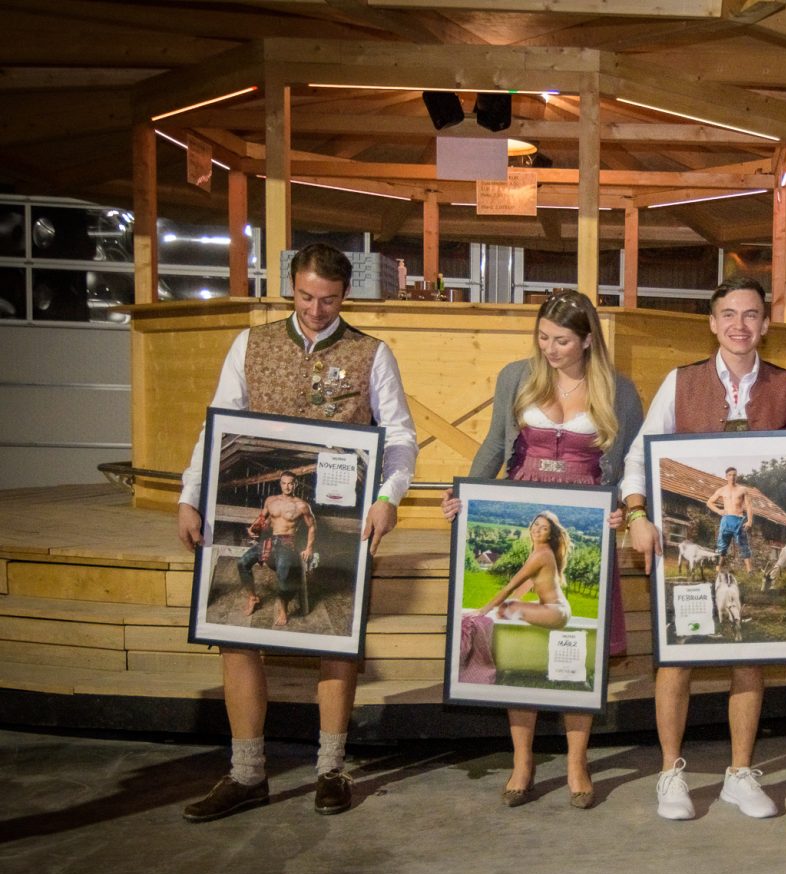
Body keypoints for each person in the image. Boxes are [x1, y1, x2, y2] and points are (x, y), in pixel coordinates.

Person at [176, 243, 418, 821]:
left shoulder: (372, 353)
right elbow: (218, 426)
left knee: (338, 641)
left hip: (341, 512)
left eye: (328, 300)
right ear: (291, 287)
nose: (315, 309)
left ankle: (331, 768)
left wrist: (388, 497)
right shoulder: (251, 343)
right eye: (306, 297)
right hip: (273, 521)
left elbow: (400, 437)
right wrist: (190, 495)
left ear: (345, 295)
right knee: (237, 635)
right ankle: (246, 773)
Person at [621, 276, 786, 821]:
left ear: (765, 323)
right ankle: (670, 773)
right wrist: (637, 515)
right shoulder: (680, 382)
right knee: (678, 655)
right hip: (693, 535)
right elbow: (639, 457)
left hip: (739, 530)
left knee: (750, 654)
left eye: (751, 314)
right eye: (728, 314)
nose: (740, 325)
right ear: (712, 323)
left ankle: (739, 773)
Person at [443, 289, 644, 810]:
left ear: (588, 340)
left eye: (561, 341)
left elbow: (631, 466)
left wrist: (623, 509)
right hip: (523, 513)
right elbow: (495, 444)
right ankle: (522, 760)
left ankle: (577, 761)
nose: (549, 349)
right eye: (543, 338)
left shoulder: (620, 391)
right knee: (519, 646)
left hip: (584, 522)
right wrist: (466, 496)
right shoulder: (516, 376)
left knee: (579, 648)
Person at [238, 470, 315, 627]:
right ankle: (253, 598)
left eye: (290, 483)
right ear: (280, 484)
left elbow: (312, 526)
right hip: (271, 541)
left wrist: (309, 548)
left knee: (283, 574)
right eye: (284, 483)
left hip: (287, 542)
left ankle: (283, 609)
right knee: (242, 563)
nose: (287, 486)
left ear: (295, 485)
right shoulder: (271, 500)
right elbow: (262, 517)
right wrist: (253, 528)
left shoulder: (301, 505)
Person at [476, 511, 573, 628]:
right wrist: (512, 601)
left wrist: (482, 611)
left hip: (555, 612)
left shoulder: (542, 554)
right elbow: (528, 582)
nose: (537, 530)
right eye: (536, 524)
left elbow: (510, 587)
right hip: (559, 610)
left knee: (506, 608)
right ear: (531, 524)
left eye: (544, 528)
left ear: (550, 535)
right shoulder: (541, 551)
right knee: (507, 606)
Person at [707, 467, 754, 574]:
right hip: (726, 520)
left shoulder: (743, 489)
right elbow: (709, 502)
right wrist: (718, 511)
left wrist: (750, 521)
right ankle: (718, 569)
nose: (732, 477)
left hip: (739, 520)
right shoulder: (721, 490)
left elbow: (749, 506)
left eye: (734, 475)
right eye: (730, 475)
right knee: (722, 545)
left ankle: (749, 571)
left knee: (743, 544)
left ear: (737, 476)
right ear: (726, 477)